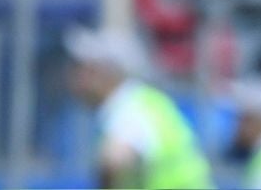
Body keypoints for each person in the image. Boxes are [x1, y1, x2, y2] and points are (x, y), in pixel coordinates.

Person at [64, 26, 214, 189]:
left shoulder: (128, 108)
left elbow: (115, 159)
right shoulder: (147, 101)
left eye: (85, 69)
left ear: (106, 73)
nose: (76, 78)